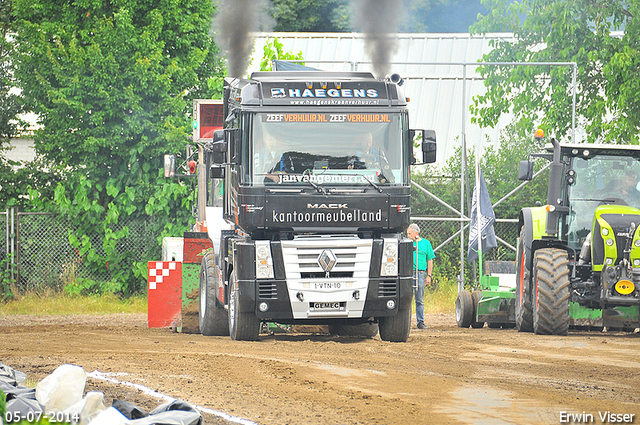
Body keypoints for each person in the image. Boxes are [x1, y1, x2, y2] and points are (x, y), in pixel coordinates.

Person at [406, 223, 435, 330]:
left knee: (419, 299)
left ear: (416, 233)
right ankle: (406, 322)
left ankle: (420, 322)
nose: (408, 236)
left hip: (421, 273)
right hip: (408, 273)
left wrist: (429, 275)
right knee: (406, 298)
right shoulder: (407, 243)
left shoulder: (426, 244)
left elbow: (430, 260)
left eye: (410, 234)